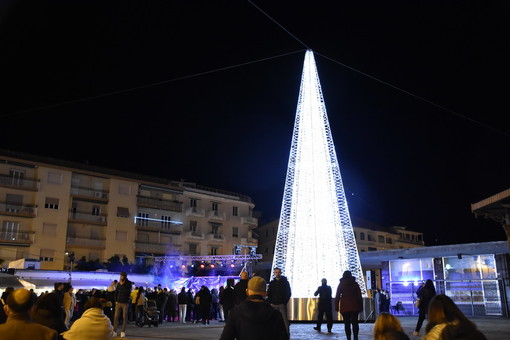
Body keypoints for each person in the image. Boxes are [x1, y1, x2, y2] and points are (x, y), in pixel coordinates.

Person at [219, 276, 288, 340]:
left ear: (247, 292)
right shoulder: (275, 314)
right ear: (265, 293)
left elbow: (226, 337)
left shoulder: (235, 313)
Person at [335, 270, 363, 340]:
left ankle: (348, 338)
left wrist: (336, 306)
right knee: (355, 323)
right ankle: (355, 337)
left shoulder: (341, 284)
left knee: (347, 324)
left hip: (344, 307)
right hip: (355, 306)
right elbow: (359, 296)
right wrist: (361, 306)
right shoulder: (355, 284)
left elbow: (337, 296)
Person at [267, 267, 292, 335]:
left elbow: (288, 293)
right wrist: (271, 302)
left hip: (281, 304)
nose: (277, 274)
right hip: (274, 304)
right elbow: (269, 293)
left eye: (278, 272)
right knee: (273, 320)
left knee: (284, 320)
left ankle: (286, 333)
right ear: (274, 273)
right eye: (276, 272)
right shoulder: (272, 283)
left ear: (280, 273)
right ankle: (274, 333)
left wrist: (284, 302)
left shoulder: (285, 282)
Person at [112, 271, 133, 338]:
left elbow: (128, 291)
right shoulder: (119, 283)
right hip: (118, 302)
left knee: (124, 317)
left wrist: (122, 284)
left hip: (125, 302)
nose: (120, 277)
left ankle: (122, 331)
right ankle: (114, 331)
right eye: (120, 276)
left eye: (122, 276)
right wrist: (116, 300)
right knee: (116, 317)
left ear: (125, 276)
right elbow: (116, 292)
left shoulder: (129, 283)